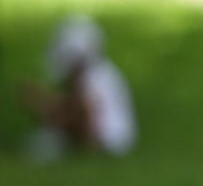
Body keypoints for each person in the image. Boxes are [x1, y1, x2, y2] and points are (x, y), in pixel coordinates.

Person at [18, 15, 137, 160]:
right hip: (111, 139)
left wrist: (46, 106)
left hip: (107, 142)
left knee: (67, 113)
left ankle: (61, 143)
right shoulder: (98, 72)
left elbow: (83, 109)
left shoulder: (94, 77)